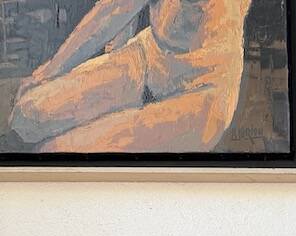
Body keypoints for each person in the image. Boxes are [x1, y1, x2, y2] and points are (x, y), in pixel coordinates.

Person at [10, 0, 252, 152]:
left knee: (56, 151)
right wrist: (50, 72)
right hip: (150, 56)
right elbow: (115, 9)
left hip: (202, 92)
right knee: (27, 113)